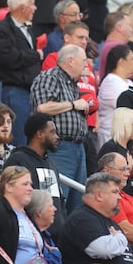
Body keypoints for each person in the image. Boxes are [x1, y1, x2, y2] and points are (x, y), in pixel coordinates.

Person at [59, 173, 133, 264]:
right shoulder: (82, 218)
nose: (119, 198)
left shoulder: (110, 222)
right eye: (115, 192)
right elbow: (103, 249)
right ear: (99, 195)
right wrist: (121, 238)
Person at [30, 44, 89, 210]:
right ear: (70, 61)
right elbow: (42, 107)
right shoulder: (50, 77)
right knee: (55, 199)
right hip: (57, 148)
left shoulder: (72, 84)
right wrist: (73, 104)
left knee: (76, 202)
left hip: (77, 148)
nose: (86, 65)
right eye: (83, 61)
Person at [0, 0, 42, 146]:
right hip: (14, 91)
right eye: (32, 4)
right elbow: (7, 57)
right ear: (22, 8)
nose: (35, 8)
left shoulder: (28, 28)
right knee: (19, 138)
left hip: (30, 92)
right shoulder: (3, 29)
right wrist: (35, 55)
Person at [4, 113, 66, 235]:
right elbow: (12, 198)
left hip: (56, 237)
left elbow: (59, 200)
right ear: (39, 134)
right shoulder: (18, 159)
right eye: (52, 132)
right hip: (31, 235)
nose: (57, 137)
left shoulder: (51, 164)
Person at [96, 153, 133, 242]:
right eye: (123, 170)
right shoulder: (107, 198)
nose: (127, 174)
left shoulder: (128, 197)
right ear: (107, 171)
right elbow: (125, 230)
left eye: (128, 169)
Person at [97, 44, 133, 146]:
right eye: (132, 59)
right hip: (110, 139)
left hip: (124, 140)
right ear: (122, 62)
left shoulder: (129, 83)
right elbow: (131, 110)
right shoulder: (111, 82)